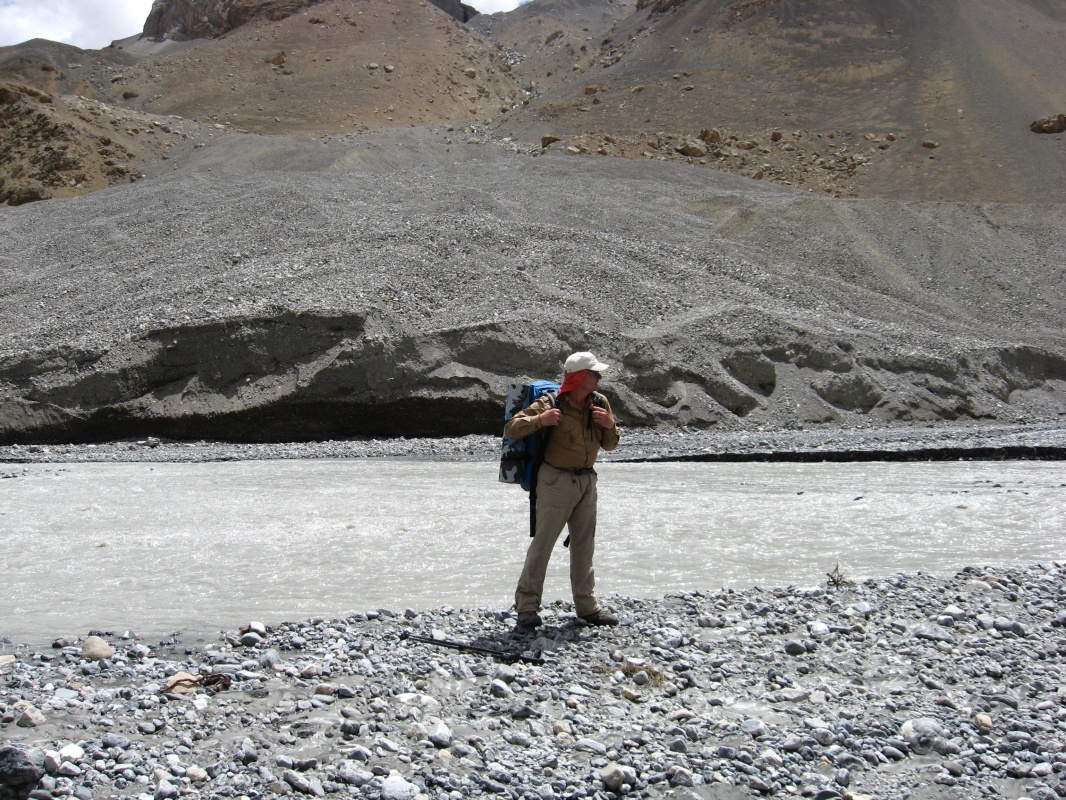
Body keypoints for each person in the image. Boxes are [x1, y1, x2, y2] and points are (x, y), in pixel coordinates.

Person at [505, 351, 622, 628]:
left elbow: (610, 445)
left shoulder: (600, 402)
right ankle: (526, 607)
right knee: (543, 544)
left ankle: (588, 607)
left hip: (587, 482)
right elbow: (512, 428)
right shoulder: (550, 402)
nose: (599, 377)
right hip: (555, 481)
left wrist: (610, 425)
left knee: (584, 546)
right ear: (579, 377)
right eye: (594, 373)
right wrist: (540, 420)